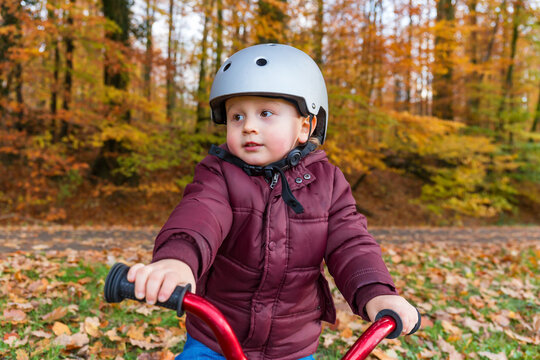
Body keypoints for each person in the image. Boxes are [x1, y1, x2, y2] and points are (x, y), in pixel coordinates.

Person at [127, 43, 419, 360]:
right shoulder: (218, 175)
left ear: (304, 127)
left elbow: (350, 243)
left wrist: (376, 292)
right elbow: (199, 214)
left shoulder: (328, 183)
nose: (249, 125)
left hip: (291, 347)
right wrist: (178, 259)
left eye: (266, 113)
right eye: (237, 116)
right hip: (217, 339)